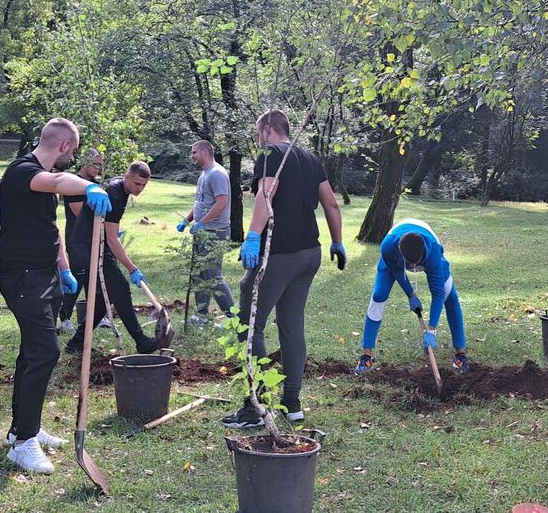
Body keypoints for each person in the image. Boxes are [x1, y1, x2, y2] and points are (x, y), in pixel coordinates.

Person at [0, 118, 112, 475]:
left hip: (44, 274)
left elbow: (52, 229)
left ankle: (22, 429)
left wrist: (63, 269)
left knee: (32, 351)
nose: (71, 159)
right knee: (45, 349)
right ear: (64, 146)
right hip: (21, 277)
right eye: (73, 151)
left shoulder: (42, 183)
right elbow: (61, 180)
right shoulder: (22, 171)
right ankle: (24, 443)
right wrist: (89, 187)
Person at [221, 109, 346, 429]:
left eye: (256, 131)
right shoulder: (310, 158)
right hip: (310, 254)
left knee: (249, 325)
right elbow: (331, 203)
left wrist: (251, 237)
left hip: (278, 255)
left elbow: (267, 192)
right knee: (291, 327)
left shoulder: (271, 153)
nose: (256, 137)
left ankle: (256, 406)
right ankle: (292, 403)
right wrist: (337, 241)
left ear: (267, 129)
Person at [65, 161, 168, 355]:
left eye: (144, 185)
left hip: (95, 245)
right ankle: (141, 341)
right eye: (137, 183)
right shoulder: (115, 194)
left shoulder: (119, 190)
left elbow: (110, 233)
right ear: (127, 176)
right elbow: (112, 239)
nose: (140, 189)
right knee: (119, 287)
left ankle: (75, 343)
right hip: (86, 248)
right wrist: (132, 268)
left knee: (103, 300)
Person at [354, 218, 471, 375]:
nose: (414, 267)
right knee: (378, 295)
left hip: (431, 253)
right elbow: (397, 272)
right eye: (411, 263)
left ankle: (460, 353)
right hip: (394, 254)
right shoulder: (388, 247)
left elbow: (438, 294)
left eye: (417, 263)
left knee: (451, 296)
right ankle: (366, 355)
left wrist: (431, 330)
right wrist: (411, 294)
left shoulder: (434, 252)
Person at [176, 140, 235, 326]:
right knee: (199, 273)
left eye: (194, 152)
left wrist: (202, 223)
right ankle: (201, 316)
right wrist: (187, 220)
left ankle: (234, 319)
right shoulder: (204, 174)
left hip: (215, 231)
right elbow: (201, 203)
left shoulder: (217, 174)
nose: (191, 156)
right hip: (203, 231)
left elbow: (221, 203)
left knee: (212, 274)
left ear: (205, 151)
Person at [58, 149, 104, 333]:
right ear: (85, 161)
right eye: (95, 163)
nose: (97, 168)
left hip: (95, 238)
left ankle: (97, 317)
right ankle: (65, 317)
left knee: (97, 278)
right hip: (77, 238)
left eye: (100, 165)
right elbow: (81, 213)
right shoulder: (75, 184)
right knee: (78, 277)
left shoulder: (96, 184)